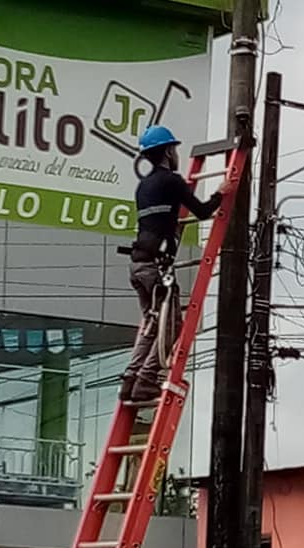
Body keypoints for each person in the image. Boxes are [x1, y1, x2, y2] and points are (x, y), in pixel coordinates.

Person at [120, 125, 234, 402]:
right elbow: (203, 211)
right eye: (173, 150)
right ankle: (146, 379)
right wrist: (221, 193)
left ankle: (131, 380)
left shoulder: (143, 186)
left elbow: (160, 218)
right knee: (170, 325)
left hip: (138, 265)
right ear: (168, 152)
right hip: (156, 268)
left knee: (151, 325)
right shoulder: (172, 182)